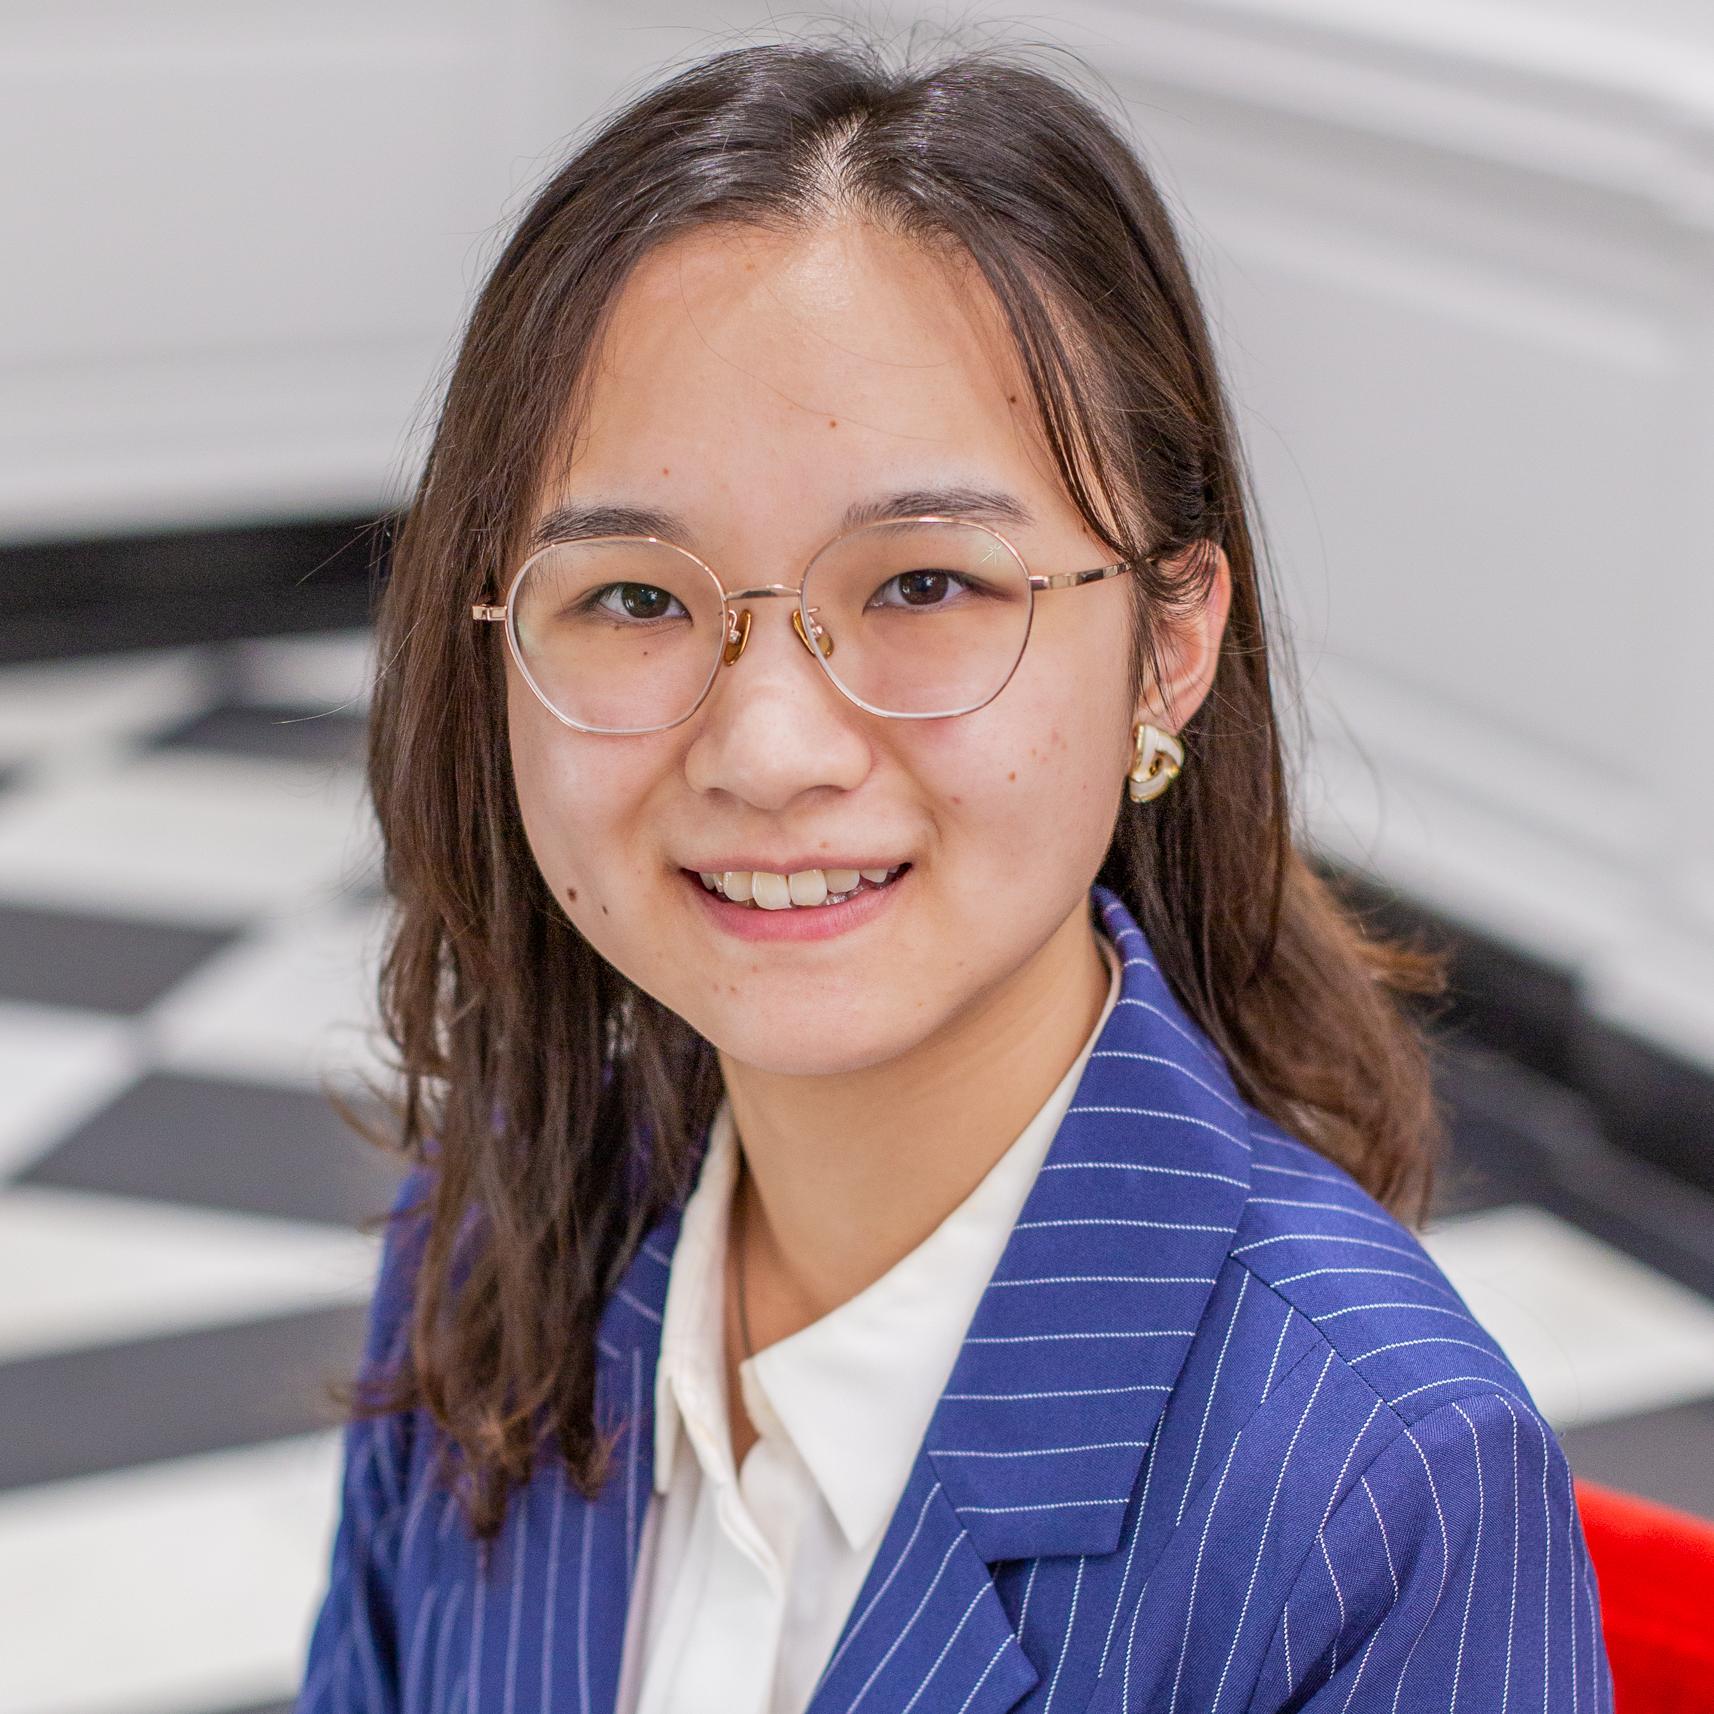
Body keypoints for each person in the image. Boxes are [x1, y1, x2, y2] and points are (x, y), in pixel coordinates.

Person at [295, 33, 1614, 1714]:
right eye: (631, 597)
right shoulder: (491, 1244)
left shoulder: (1374, 1481)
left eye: (924, 582)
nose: (768, 747)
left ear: (1168, 645)